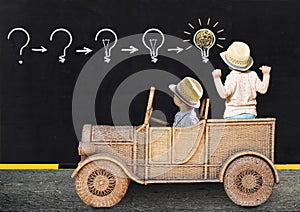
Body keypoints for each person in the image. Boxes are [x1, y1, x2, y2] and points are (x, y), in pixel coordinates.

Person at [212, 41, 271, 119]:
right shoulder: (253, 75)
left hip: (232, 115)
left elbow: (223, 94)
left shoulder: (232, 77)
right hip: (250, 114)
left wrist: (217, 78)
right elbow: (263, 90)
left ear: (228, 64)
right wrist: (266, 74)